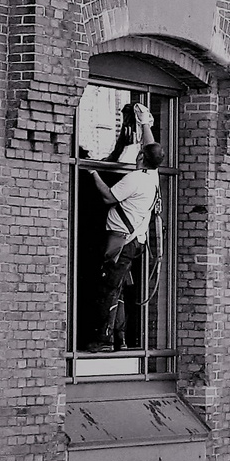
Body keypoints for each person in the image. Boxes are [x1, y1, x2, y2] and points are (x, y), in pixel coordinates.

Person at [85, 103, 164, 351]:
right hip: (133, 242)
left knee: (107, 288)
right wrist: (145, 124)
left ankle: (103, 340)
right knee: (117, 290)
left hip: (120, 242)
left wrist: (93, 173)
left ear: (141, 158)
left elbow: (109, 197)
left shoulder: (135, 178)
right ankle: (119, 338)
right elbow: (149, 149)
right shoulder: (152, 176)